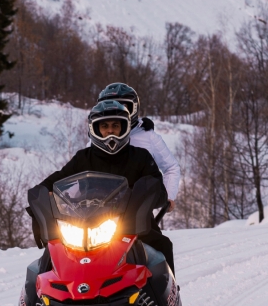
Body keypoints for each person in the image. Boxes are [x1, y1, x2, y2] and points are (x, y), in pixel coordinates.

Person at [35, 99, 170, 269]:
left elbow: (159, 190)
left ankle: (167, 294)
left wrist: (149, 194)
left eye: (115, 125)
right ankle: (39, 295)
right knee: (51, 255)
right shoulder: (83, 158)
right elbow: (58, 178)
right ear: (95, 129)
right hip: (86, 224)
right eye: (104, 126)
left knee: (161, 246)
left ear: (125, 127)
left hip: (135, 222)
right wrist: (42, 192)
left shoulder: (141, 156)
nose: (110, 131)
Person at [97, 83, 180, 270]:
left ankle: (168, 293)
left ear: (133, 109)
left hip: (138, 208)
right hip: (99, 211)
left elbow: (171, 167)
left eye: (124, 106)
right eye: (110, 105)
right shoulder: (96, 139)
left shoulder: (148, 138)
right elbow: (82, 171)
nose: (117, 111)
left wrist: (168, 195)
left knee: (160, 247)